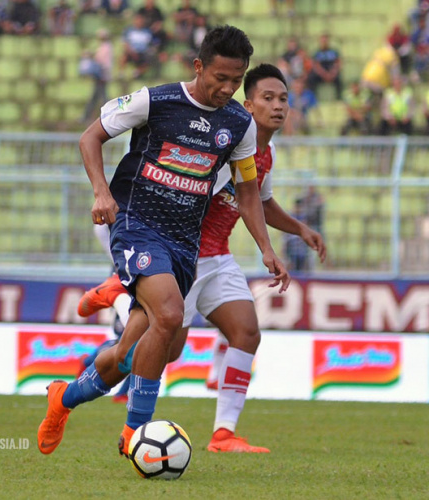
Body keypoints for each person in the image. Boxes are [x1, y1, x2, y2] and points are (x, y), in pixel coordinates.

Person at [36, 25, 290, 458]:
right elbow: (90, 137)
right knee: (170, 314)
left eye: (235, 80)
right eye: (220, 78)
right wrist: (101, 191)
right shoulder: (155, 100)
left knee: (130, 355)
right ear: (198, 67)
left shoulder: (239, 124)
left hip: (182, 242)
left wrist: (266, 247)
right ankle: (136, 432)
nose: (227, 89)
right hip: (137, 225)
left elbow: (248, 190)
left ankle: (64, 398)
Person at [173, 63, 326, 452]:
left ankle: (223, 433)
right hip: (183, 257)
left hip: (218, 256)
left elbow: (260, 201)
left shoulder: (266, 153)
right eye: (268, 98)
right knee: (168, 350)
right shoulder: (228, 145)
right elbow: (237, 199)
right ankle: (99, 365)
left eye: (283, 99)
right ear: (248, 104)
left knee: (246, 332)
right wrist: (266, 249)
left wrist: (299, 229)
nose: (278, 106)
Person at [80, 28, 113, 123]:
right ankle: (87, 115)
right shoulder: (105, 47)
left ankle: (88, 116)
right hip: (101, 75)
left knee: (101, 96)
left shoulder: (105, 47)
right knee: (99, 96)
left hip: (101, 75)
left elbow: (102, 61)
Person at [306, 33, 342, 100]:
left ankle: (339, 98)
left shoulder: (334, 52)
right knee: (311, 78)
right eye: (323, 41)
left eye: (326, 41)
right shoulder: (316, 52)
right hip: (321, 74)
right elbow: (316, 66)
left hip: (332, 74)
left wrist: (332, 73)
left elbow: (338, 63)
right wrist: (324, 74)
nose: (324, 42)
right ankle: (313, 98)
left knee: (339, 79)